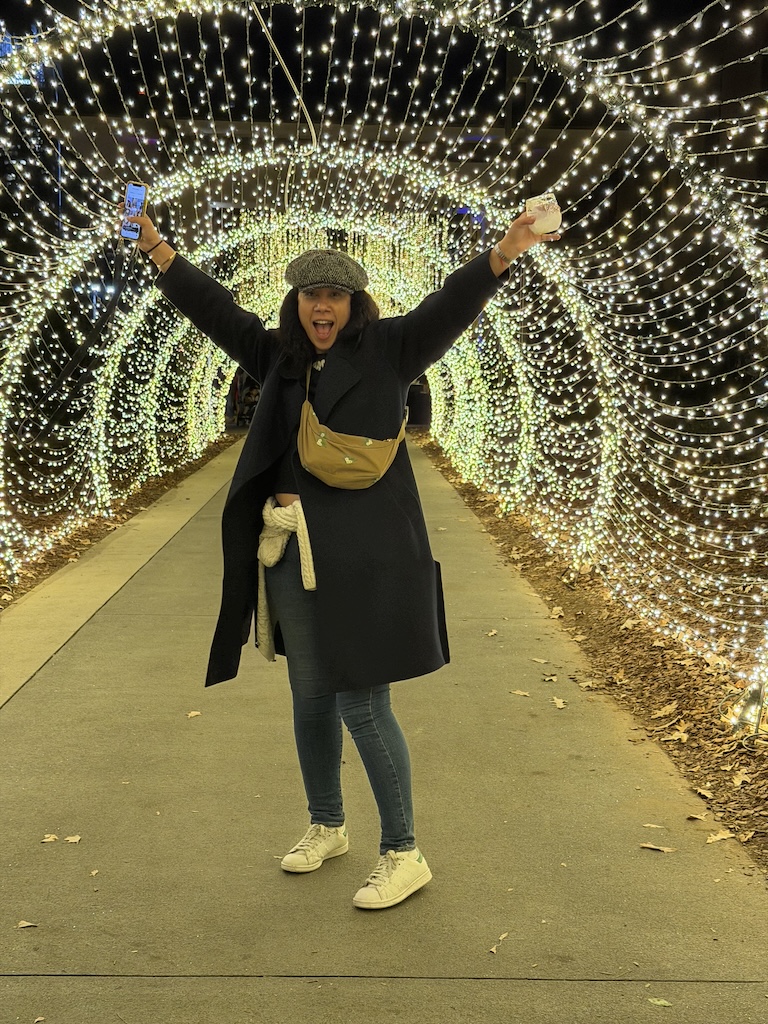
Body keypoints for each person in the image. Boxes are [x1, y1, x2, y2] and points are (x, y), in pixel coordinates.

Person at [124, 203, 560, 910]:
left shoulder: (392, 348)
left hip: (367, 558)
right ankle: (328, 823)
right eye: (309, 295)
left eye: (333, 295)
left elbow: (455, 298)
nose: (320, 305)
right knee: (309, 696)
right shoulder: (280, 356)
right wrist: (161, 253)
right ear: (296, 304)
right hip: (291, 551)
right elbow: (217, 311)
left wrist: (509, 248)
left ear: (355, 304)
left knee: (362, 700)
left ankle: (404, 849)